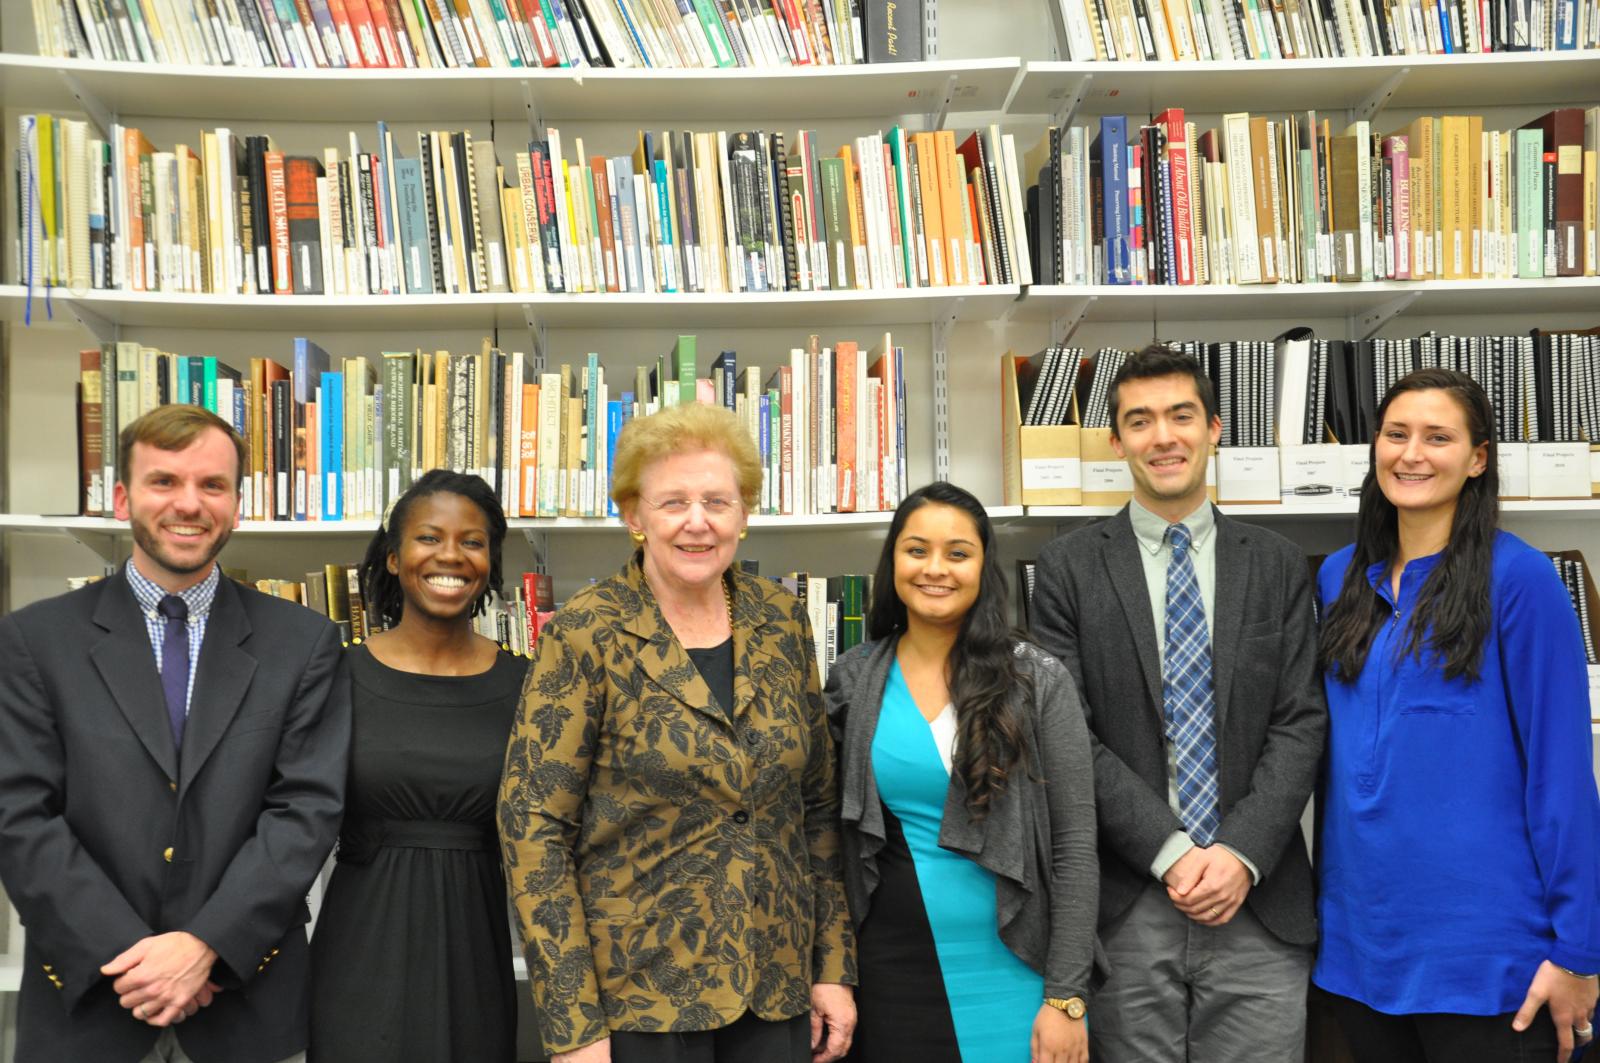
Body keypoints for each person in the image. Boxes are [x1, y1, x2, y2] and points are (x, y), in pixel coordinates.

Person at [498, 402, 856, 1063]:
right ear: (634, 515)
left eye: (718, 500)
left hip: (772, 989)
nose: (698, 521)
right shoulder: (587, 632)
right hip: (638, 1000)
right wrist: (573, 1022)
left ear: (743, 513)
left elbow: (816, 806)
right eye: (673, 502)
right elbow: (532, 827)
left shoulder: (782, 622)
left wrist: (831, 964)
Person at [0, 404, 350, 1063]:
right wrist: (136, 962)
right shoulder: (34, 641)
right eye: (164, 481)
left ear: (237, 504)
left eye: (212, 485)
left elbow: (306, 812)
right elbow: (18, 817)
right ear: (124, 497)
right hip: (89, 1004)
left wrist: (205, 946)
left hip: (247, 1002)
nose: (189, 503)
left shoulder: (303, 643)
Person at [1030, 344, 1327, 1062]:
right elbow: (1068, 736)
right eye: (1140, 420)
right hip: (1128, 901)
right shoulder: (1067, 568)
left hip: (1258, 898)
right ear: (1115, 440)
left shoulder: (1278, 561)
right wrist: (1169, 851)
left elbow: (1300, 721)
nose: (1163, 436)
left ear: (1215, 427)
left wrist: (1237, 852)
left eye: (1180, 415)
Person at [1315, 367, 1600, 1063]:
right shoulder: (1337, 578)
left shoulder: (1522, 580)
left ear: (1477, 458)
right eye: (1396, 434)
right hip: (1360, 954)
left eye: (1438, 437)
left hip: (1492, 962)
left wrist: (1580, 953)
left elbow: (1562, 776)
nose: (1412, 454)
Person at [825, 481, 1098, 1063]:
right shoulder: (853, 680)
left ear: (983, 566)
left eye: (958, 553)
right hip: (890, 970)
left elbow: (1075, 845)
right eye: (916, 549)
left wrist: (1066, 997)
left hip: (1017, 967)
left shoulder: (1037, 680)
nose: (935, 569)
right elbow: (831, 837)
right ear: (892, 560)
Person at [309, 470, 527, 1062]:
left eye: (473, 541)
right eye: (429, 537)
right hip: (360, 947)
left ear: (491, 561)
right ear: (392, 556)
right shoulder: (333, 676)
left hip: (475, 952)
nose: (450, 556)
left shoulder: (529, 686)